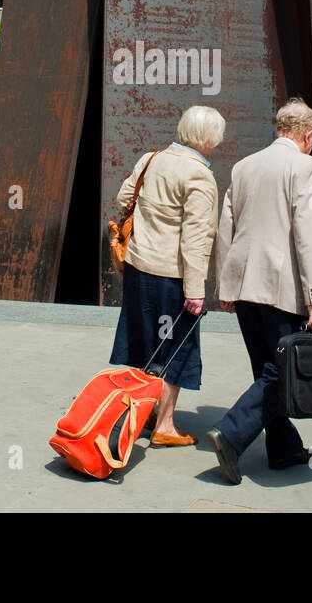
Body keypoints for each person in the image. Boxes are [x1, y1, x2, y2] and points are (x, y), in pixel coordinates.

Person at [208, 98, 312, 485]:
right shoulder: (307, 167)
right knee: (283, 371)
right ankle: (231, 433)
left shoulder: (244, 166)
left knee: (266, 367)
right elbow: (308, 235)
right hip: (281, 285)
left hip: (244, 282)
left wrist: (226, 284)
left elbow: (226, 228)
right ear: (307, 135)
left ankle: (284, 448)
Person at [111, 105, 224, 448]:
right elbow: (196, 238)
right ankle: (165, 424)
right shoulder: (200, 176)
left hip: (137, 268)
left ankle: (138, 412)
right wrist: (195, 290)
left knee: (140, 342)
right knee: (175, 347)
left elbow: (122, 198)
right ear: (208, 138)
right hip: (171, 279)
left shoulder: (151, 159)